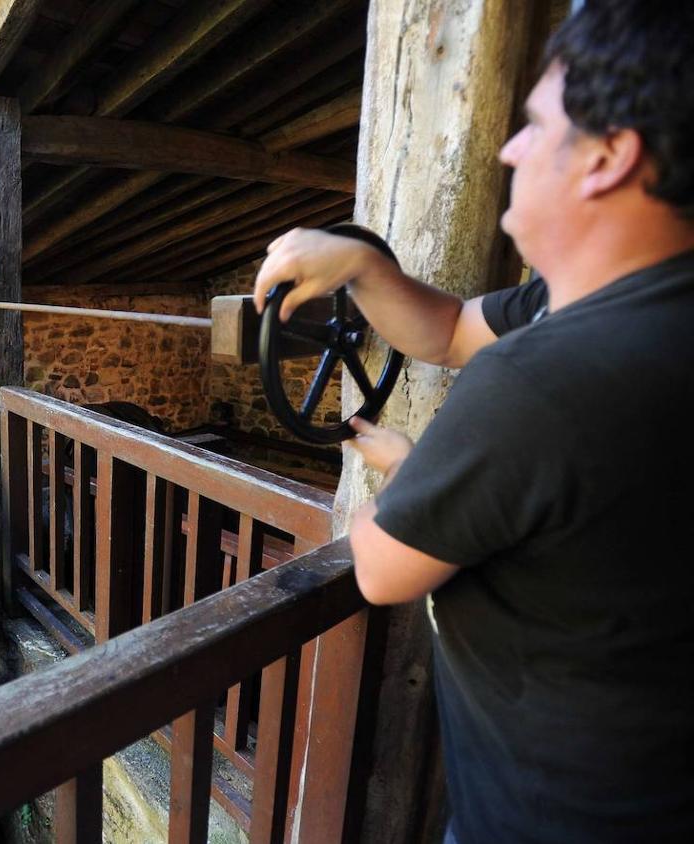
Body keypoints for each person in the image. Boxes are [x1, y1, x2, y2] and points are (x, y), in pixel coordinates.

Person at [251, 2, 694, 842]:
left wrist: (417, 472)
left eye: (533, 125)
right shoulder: (620, 307)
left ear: (608, 157)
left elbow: (381, 568)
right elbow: (451, 329)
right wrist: (363, 265)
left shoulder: (538, 382)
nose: (510, 148)